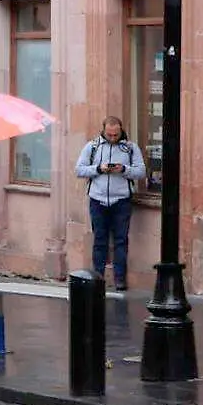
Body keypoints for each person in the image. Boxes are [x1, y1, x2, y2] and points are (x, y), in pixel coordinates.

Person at [74, 116, 146, 291]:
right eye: (109, 134)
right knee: (100, 240)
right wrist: (99, 169)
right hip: (98, 200)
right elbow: (79, 169)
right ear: (103, 131)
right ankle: (97, 278)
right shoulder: (92, 147)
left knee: (121, 240)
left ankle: (120, 279)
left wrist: (124, 170)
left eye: (116, 134)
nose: (113, 138)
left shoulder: (130, 148)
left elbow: (141, 171)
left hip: (121, 201)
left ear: (121, 130)